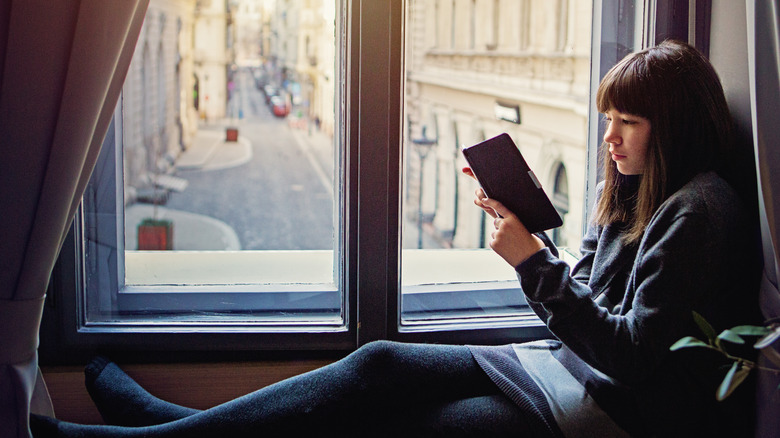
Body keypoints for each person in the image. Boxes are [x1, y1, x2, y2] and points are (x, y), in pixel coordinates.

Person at [31, 40, 761, 438]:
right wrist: (539, 241)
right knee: (377, 362)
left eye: (625, 124)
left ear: (674, 123)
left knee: (411, 419)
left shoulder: (699, 211)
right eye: (608, 122)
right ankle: (172, 430)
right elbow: (602, 304)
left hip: (612, 411)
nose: (607, 140)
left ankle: (162, 437)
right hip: (567, 372)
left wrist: (534, 265)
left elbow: (631, 356)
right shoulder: (642, 194)